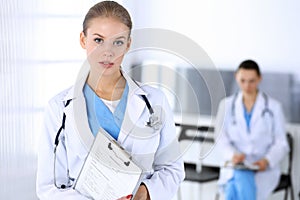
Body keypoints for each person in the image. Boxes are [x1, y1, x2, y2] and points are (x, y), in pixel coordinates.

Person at [36, 1, 185, 200]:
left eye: (118, 42)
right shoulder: (59, 108)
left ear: (128, 44)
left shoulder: (155, 101)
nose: (108, 52)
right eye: (98, 40)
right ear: (83, 40)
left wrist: (144, 193)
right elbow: (49, 187)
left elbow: (172, 169)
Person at [214, 60, 289, 200]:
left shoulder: (273, 107)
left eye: (252, 81)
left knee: (233, 188)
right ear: (236, 77)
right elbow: (220, 137)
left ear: (260, 78)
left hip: (263, 168)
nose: (247, 86)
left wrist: (266, 160)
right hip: (236, 163)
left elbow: (281, 142)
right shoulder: (226, 105)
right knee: (240, 175)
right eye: (243, 80)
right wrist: (232, 155)